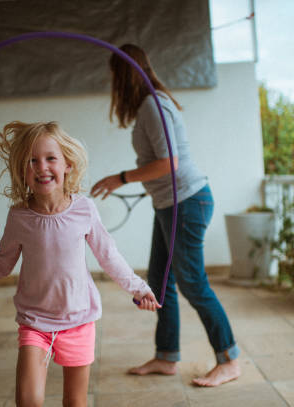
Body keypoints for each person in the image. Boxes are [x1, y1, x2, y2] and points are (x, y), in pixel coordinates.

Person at [0, 121, 160, 407]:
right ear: (22, 171)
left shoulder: (84, 209)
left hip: (79, 321)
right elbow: (0, 266)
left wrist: (139, 288)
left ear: (67, 164)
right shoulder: (19, 217)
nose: (41, 167)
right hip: (35, 322)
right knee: (28, 402)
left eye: (50, 158)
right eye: (31, 161)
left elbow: (108, 255)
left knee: (75, 403)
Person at [91, 44, 241, 387]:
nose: (113, 84)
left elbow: (168, 163)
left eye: (114, 76)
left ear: (123, 74)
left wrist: (122, 178)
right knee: (159, 284)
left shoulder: (153, 106)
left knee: (192, 283)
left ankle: (229, 359)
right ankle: (166, 357)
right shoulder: (151, 104)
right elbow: (161, 167)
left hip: (187, 202)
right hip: (172, 204)